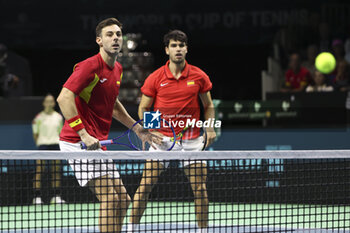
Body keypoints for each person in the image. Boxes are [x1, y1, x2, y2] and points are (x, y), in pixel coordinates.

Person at [57, 18, 159, 233]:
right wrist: (83, 133)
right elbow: (64, 98)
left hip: (97, 143)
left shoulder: (118, 69)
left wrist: (137, 128)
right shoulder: (89, 66)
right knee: (110, 198)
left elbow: (112, 105)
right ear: (99, 41)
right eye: (109, 35)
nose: (115, 38)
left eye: (118, 34)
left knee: (123, 199)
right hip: (78, 142)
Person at [128, 30, 216, 233]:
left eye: (181, 45)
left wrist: (209, 128)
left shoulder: (199, 76)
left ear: (186, 49)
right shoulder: (156, 77)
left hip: (192, 137)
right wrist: (149, 130)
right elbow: (143, 108)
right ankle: (131, 228)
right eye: (174, 46)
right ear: (167, 50)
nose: (178, 49)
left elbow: (208, 106)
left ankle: (203, 231)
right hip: (163, 138)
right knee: (145, 186)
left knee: (200, 189)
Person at [32, 94, 65, 205]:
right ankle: (37, 197)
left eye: (51, 101)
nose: (49, 103)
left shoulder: (59, 117)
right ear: (44, 103)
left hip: (55, 145)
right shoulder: (38, 118)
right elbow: (35, 134)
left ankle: (56, 196)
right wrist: (40, 143)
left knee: (56, 171)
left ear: (54, 103)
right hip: (43, 146)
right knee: (39, 171)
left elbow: (61, 133)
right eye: (47, 101)